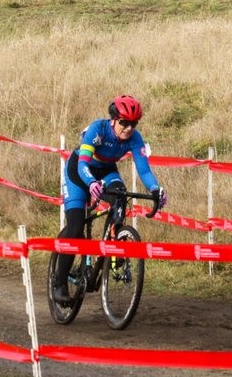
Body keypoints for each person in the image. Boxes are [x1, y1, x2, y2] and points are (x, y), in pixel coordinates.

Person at [51, 94, 167, 304]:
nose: (129, 128)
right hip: (78, 172)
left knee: (120, 198)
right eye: (124, 123)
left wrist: (155, 189)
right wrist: (91, 183)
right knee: (76, 226)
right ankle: (59, 282)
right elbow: (83, 163)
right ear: (114, 120)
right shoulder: (98, 129)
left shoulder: (134, 138)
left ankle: (112, 246)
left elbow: (144, 169)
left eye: (134, 123)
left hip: (106, 171)